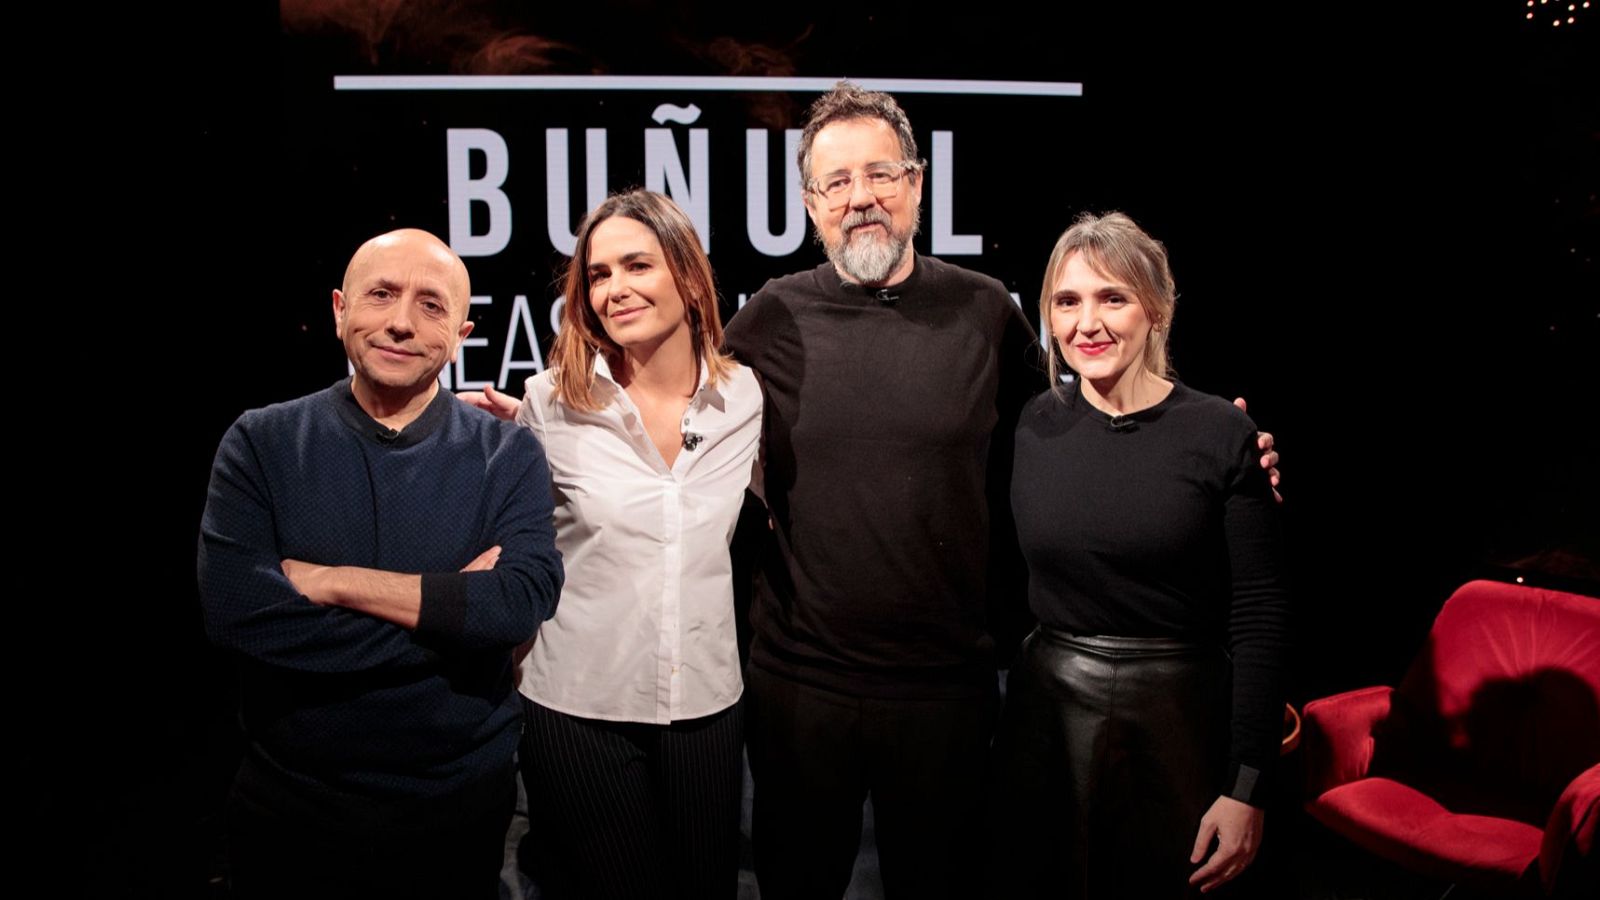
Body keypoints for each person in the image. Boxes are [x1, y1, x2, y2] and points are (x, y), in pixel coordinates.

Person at [196, 228, 565, 899]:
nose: (401, 322)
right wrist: (455, 617)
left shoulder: (507, 455)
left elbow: (517, 602)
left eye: (431, 306)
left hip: (458, 809)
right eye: (381, 295)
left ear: (460, 332)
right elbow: (237, 613)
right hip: (290, 806)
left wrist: (333, 584)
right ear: (340, 309)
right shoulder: (261, 441)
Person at [463, 190, 761, 900]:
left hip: (707, 708)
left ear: (688, 277)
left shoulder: (745, 398)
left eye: (637, 265)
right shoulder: (548, 403)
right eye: (598, 274)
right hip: (576, 707)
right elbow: (511, 542)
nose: (615, 289)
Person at [994, 211, 1290, 898]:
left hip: (1182, 730)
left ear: (1155, 309)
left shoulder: (1222, 432)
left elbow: (1260, 617)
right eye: (1067, 301)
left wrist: (1247, 784)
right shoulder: (1033, 425)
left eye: (1112, 298)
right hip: (1045, 725)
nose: (1086, 322)